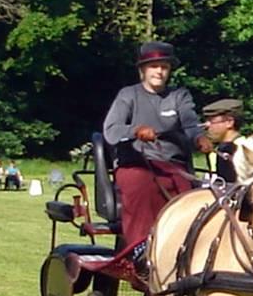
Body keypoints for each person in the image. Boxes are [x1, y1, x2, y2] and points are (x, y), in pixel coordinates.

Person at [103, 41, 213, 245]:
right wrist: (135, 130)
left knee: (192, 199)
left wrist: (199, 138)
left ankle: (184, 250)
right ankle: (140, 248)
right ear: (142, 69)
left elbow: (190, 124)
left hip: (173, 166)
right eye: (154, 66)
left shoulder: (180, 96)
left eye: (164, 67)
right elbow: (111, 130)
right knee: (143, 188)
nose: (159, 72)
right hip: (136, 164)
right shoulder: (128, 95)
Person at [202, 99, 244, 183]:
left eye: (211, 121)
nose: (206, 125)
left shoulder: (243, 149)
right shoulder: (216, 151)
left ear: (229, 122)